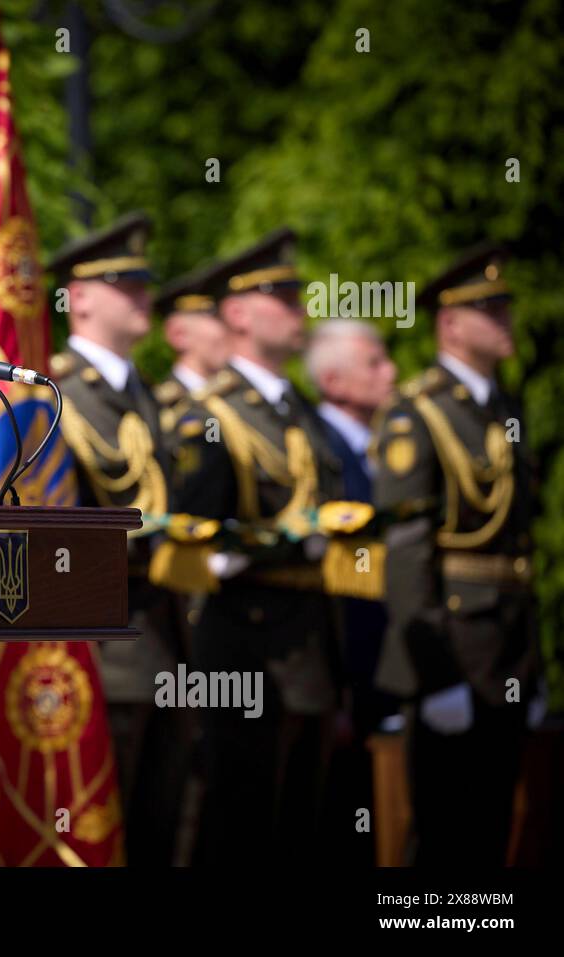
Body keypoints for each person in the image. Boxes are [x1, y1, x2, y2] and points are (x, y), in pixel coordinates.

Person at [166, 228, 344, 865]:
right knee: (242, 821)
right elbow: (189, 541)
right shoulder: (212, 413)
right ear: (237, 313)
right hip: (244, 638)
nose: (299, 310)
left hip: (311, 636)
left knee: (302, 822)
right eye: (282, 297)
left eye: (300, 297)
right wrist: (270, 545)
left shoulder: (297, 408)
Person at [372, 242, 538, 866]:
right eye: (489, 309)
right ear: (450, 323)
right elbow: (408, 551)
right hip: (454, 647)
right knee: (443, 828)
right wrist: (434, 674)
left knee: (493, 826)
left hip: (508, 642)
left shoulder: (501, 409)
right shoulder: (419, 413)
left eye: (505, 306)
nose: (505, 320)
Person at [45, 213, 191, 864]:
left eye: (143, 283)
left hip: (165, 639)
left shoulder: (145, 397)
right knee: (105, 835)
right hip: (105, 646)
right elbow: (50, 529)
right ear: (79, 299)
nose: (142, 297)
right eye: (122, 284)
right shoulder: (55, 392)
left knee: (163, 829)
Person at [305, 318, 397, 863]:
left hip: (378, 672)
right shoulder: (324, 451)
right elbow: (329, 582)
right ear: (335, 381)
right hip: (339, 673)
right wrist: (337, 685)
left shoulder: (377, 447)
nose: (392, 373)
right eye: (375, 363)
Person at [153, 268, 232, 433]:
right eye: (216, 320)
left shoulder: (239, 396)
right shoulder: (160, 406)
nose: (229, 331)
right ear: (178, 335)